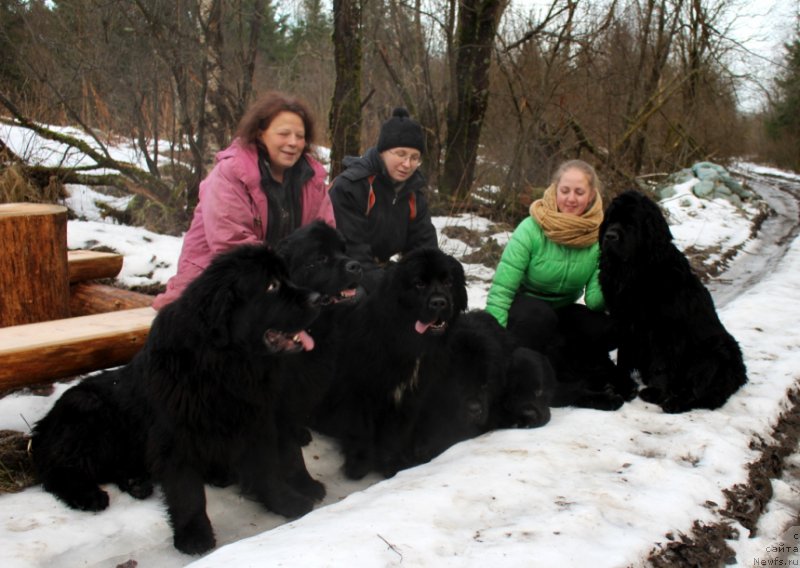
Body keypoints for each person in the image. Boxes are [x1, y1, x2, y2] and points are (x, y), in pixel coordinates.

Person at [153, 91, 334, 310]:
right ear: (260, 134)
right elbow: (231, 243)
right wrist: (288, 271)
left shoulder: (312, 181)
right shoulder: (231, 174)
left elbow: (325, 236)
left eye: (300, 136)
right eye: (283, 134)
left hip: (280, 286)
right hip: (218, 286)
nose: (293, 143)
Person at [485, 159, 615, 374]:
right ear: (554, 190)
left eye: (579, 192)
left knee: (606, 328)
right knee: (540, 317)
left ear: (591, 195)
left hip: (562, 310)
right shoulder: (530, 229)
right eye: (564, 191)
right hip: (525, 310)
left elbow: (594, 301)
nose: (571, 199)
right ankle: (523, 369)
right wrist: (493, 340)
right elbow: (502, 290)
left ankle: (567, 368)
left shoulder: (599, 235)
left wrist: (612, 268)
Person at [328, 107, 438, 290]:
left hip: (380, 269)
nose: (407, 164)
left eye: (414, 157)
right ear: (382, 152)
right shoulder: (351, 186)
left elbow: (425, 248)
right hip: (341, 270)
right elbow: (352, 250)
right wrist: (390, 289)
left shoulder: (413, 194)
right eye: (401, 154)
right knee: (360, 299)